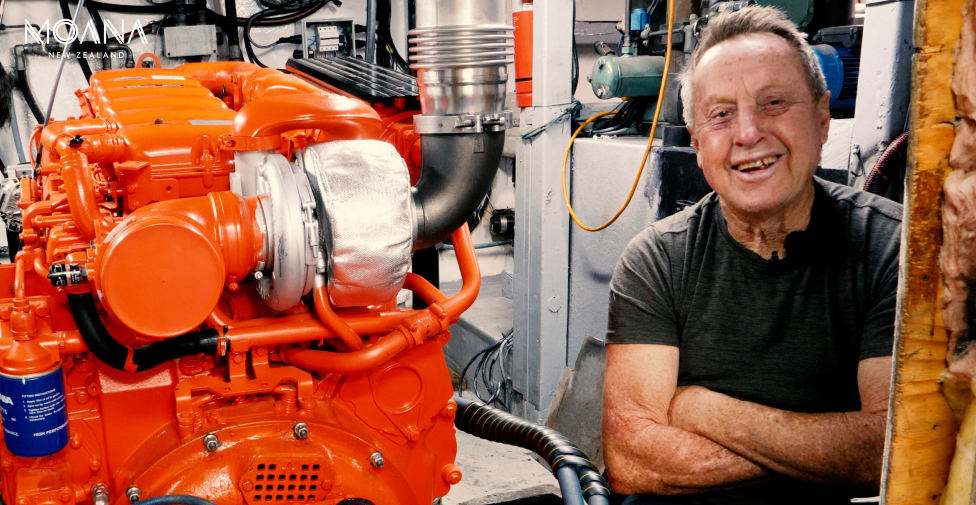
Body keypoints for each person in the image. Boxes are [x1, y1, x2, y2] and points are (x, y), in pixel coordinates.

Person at [601, 6, 901, 505]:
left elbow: (890, 450)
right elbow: (632, 460)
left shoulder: (890, 248)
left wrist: (704, 411)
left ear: (822, 119)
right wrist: (822, 453)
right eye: (720, 114)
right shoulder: (657, 260)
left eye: (774, 103)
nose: (747, 133)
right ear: (698, 145)